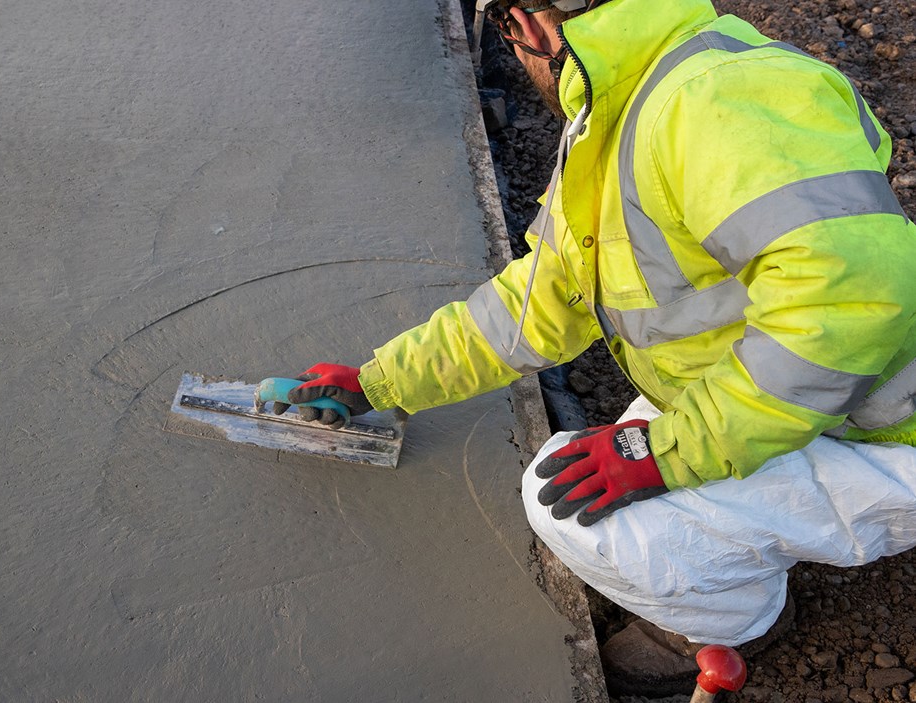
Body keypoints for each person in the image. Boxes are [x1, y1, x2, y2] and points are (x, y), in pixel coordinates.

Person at [276, 0, 916, 696]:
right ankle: (745, 535)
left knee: (563, 499)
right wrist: (380, 382)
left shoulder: (712, 100)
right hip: (824, 395)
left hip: (887, 432)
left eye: (504, 35)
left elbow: (857, 297)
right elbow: (537, 302)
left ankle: (736, 618)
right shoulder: (628, 103)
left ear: (526, 24)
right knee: (625, 450)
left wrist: (669, 451)